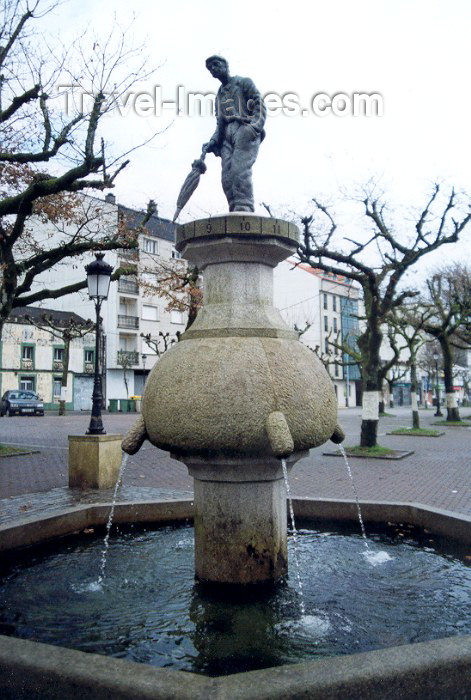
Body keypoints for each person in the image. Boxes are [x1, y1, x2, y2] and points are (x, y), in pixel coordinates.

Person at [203, 55, 266, 212]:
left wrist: (254, 126)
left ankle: (244, 207)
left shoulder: (243, 82)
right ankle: (234, 210)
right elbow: (219, 121)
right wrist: (213, 141)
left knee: (239, 170)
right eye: (210, 68)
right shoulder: (220, 94)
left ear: (226, 65)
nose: (213, 69)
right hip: (226, 135)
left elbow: (259, 102)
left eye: (216, 65)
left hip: (243, 128)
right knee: (227, 177)